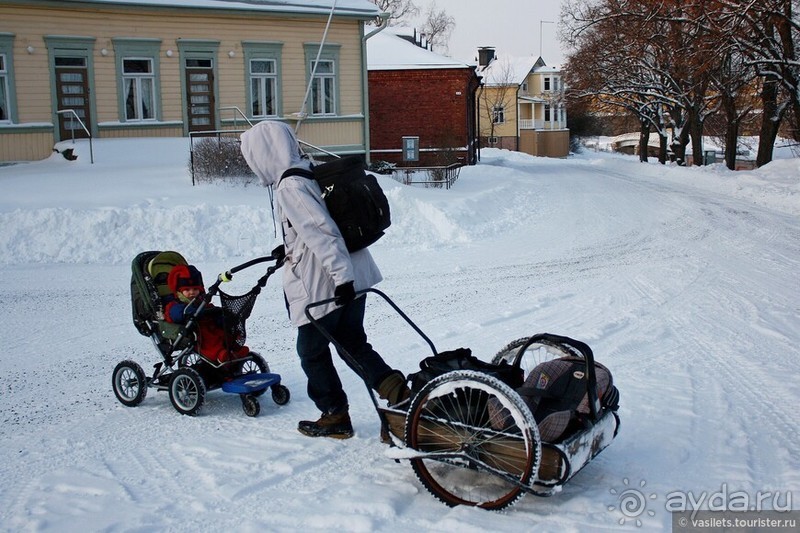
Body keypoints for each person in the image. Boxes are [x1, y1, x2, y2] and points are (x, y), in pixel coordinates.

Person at [241, 120, 408, 439]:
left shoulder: (290, 185)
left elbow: (322, 231)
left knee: (311, 352)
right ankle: (400, 396)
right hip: (350, 276)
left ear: (264, 153)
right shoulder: (309, 169)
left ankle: (334, 415)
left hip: (328, 285)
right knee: (353, 344)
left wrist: (341, 278)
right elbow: (318, 225)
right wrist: (290, 245)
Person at [164, 263, 249, 364]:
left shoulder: (201, 302)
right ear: (179, 291)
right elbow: (176, 314)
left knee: (224, 333)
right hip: (194, 331)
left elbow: (209, 309)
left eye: (195, 289)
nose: (192, 292)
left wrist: (221, 316)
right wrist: (188, 312)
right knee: (210, 340)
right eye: (187, 290)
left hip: (210, 327)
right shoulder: (176, 304)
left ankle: (235, 350)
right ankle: (219, 355)